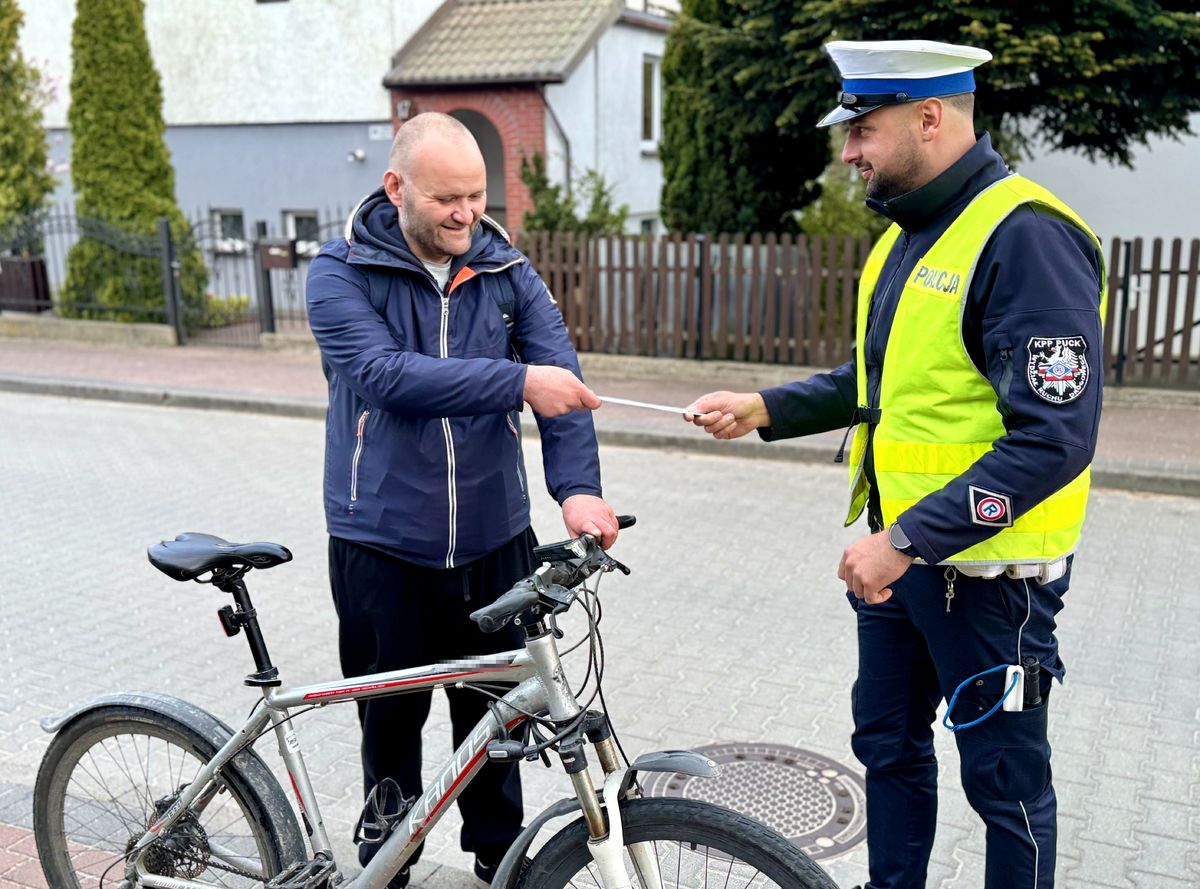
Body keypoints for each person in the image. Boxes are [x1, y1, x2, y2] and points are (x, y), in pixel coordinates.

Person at [685, 40, 1104, 889]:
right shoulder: (910, 235)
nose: (849, 152)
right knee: (888, 745)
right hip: (903, 567)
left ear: (930, 118)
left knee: (1007, 787)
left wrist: (906, 539)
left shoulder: (1027, 237)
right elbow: (878, 381)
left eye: (862, 130)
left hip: (990, 582)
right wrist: (766, 406)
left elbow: (1055, 438)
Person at [306, 112, 618, 887]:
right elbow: (386, 377)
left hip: (494, 536)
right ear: (396, 187)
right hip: (382, 541)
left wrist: (578, 489)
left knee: (498, 714)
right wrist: (518, 382)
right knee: (390, 718)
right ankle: (390, 858)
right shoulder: (339, 271)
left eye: (477, 195)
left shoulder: (506, 268)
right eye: (447, 198)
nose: (466, 214)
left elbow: (561, 380)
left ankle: (496, 857)